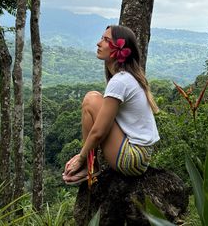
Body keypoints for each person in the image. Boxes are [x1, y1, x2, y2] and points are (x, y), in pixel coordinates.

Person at [62, 25, 160, 184]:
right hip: (141, 157)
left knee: (91, 99)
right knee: (94, 98)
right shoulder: (127, 77)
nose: (98, 43)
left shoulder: (120, 81)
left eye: (106, 40)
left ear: (119, 50)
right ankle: (90, 163)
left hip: (132, 158)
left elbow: (98, 132)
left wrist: (81, 158)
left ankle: (90, 165)